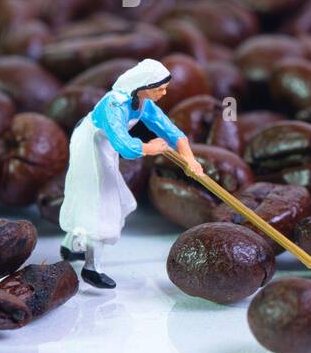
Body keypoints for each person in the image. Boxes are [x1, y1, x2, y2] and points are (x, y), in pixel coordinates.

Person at [58, 59, 203, 289]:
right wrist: (149, 148)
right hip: (90, 145)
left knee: (95, 198)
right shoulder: (113, 105)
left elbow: (170, 130)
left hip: (105, 147)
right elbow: (123, 144)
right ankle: (91, 269)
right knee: (100, 203)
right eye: (159, 88)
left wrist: (190, 159)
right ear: (142, 85)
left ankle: (69, 245)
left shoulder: (143, 103)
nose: (164, 93)